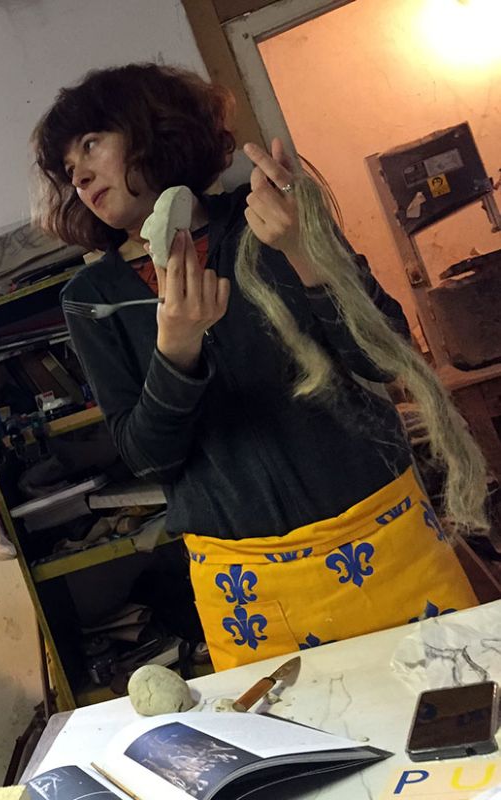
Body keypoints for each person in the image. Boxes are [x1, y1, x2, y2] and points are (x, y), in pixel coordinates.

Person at [31, 64, 478, 671]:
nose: (79, 176)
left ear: (152, 129)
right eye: (67, 168)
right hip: (249, 587)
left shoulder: (270, 216)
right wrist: (175, 352)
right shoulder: (91, 297)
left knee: (455, 707)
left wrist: (307, 253)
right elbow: (148, 458)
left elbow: (386, 354)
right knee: (294, 733)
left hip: (384, 536)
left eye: (90, 144)